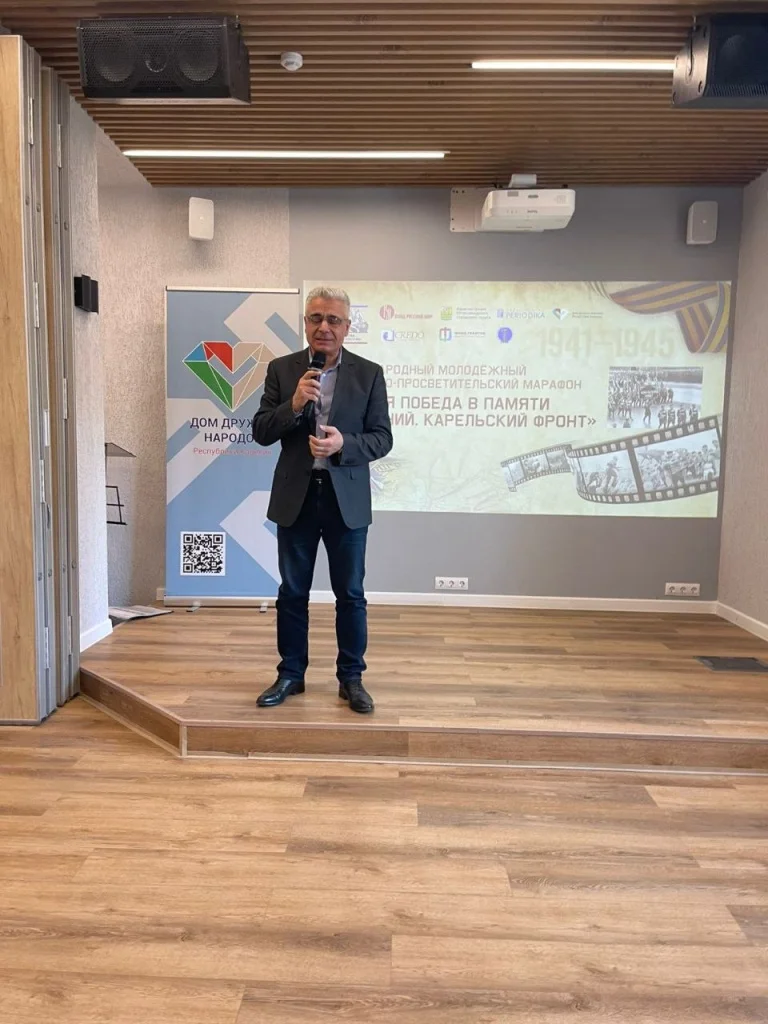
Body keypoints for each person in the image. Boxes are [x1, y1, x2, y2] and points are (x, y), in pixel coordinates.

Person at [252, 286, 393, 714]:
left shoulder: (369, 374)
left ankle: (351, 678)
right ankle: (291, 674)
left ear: (347, 327)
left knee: (350, 593)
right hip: (296, 497)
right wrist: (294, 404)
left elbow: (382, 438)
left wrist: (343, 444)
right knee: (292, 592)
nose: (324, 327)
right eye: (316, 318)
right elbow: (261, 431)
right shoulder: (282, 370)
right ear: (305, 323)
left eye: (333, 319)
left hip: (344, 500)